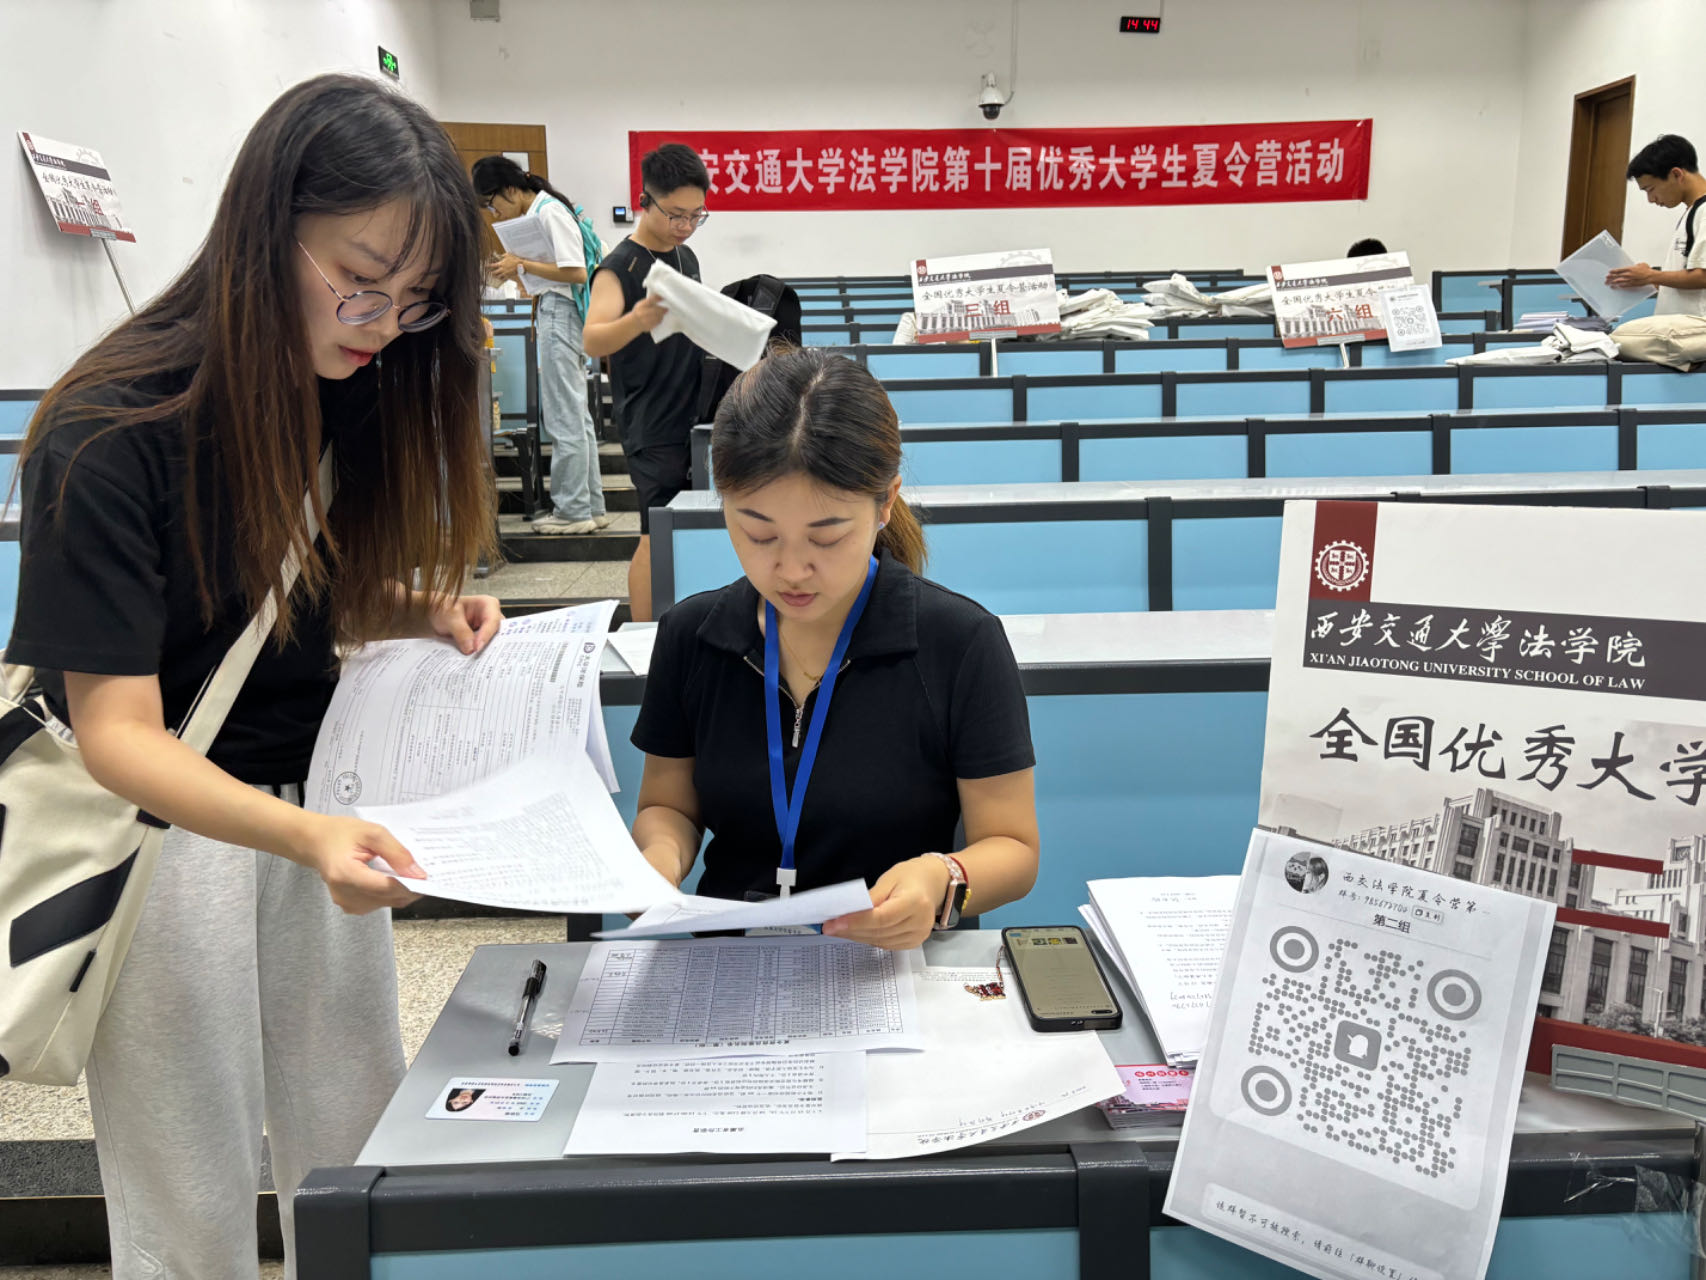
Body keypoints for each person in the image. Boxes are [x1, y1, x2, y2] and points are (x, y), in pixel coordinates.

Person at [10, 74, 500, 1280]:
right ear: (265, 227)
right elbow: (119, 731)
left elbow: (289, 598)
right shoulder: (110, 428)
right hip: (168, 837)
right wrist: (303, 836)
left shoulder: (351, 384)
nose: (382, 322)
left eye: (417, 300)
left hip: (316, 805)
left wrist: (418, 609)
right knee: (190, 1200)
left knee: (357, 1155)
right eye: (361, 278)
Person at [628, 350, 1040, 951]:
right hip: (731, 958)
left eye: (827, 537)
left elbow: (1015, 849)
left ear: (886, 503)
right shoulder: (692, 635)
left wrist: (940, 878)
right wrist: (659, 860)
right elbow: (668, 806)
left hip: (892, 961)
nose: (792, 569)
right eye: (759, 533)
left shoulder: (959, 641)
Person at [582, 142, 710, 621]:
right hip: (651, 420)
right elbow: (592, 339)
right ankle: (643, 638)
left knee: (688, 532)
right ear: (644, 201)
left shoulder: (686, 257)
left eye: (696, 216)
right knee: (654, 536)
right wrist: (636, 319)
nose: (685, 226)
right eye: (676, 215)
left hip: (692, 411)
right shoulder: (620, 267)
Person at [471, 156, 610, 534]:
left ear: (511, 190)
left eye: (492, 203)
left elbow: (575, 271)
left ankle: (572, 511)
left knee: (564, 416)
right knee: (576, 416)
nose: (494, 214)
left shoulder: (548, 213)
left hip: (560, 313)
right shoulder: (547, 210)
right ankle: (591, 506)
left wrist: (522, 264)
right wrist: (520, 265)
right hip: (561, 312)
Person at [1606, 134, 1706, 317]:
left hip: (1696, 329)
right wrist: (1645, 279)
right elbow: (1687, 279)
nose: (1651, 200)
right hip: (1679, 326)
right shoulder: (1693, 211)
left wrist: (1651, 275)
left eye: (1650, 189)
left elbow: (1703, 277)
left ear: (1676, 174)